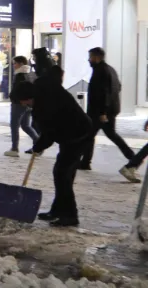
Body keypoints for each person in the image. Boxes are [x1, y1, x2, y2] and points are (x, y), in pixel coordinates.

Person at [12, 79, 94, 227]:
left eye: (22, 102)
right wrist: (40, 144)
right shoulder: (45, 92)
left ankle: (70, 216)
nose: (23, 105)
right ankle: (57, 211)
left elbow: (49, 134)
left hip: (78, 135)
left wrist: (38, 147)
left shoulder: (44, 106)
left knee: (63, 175)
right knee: (62, 174)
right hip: (71, 135)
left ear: (28, 98)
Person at [83, 47, 135, 171]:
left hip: (100, 112)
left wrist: (103, 112)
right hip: (109, 110)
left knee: (89, 135)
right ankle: (132, 157)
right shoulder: (110, 69)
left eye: (90, 57)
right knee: (110, 134)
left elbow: (104, 93)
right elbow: (118, 87)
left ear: (96, 57)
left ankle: (85, 162)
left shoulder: (101, 71)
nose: (88, 60)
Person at [5, 56, 40, 157]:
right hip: (28, 104)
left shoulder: (20, 74)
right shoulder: (31, 73)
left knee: (14, 125)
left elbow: (17, 90)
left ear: (20, 64)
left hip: (19, 103)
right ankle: (39, 145)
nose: (13, 65)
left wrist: (16, 99)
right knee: (25, 125)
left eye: (14, 63)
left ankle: (14, 148)